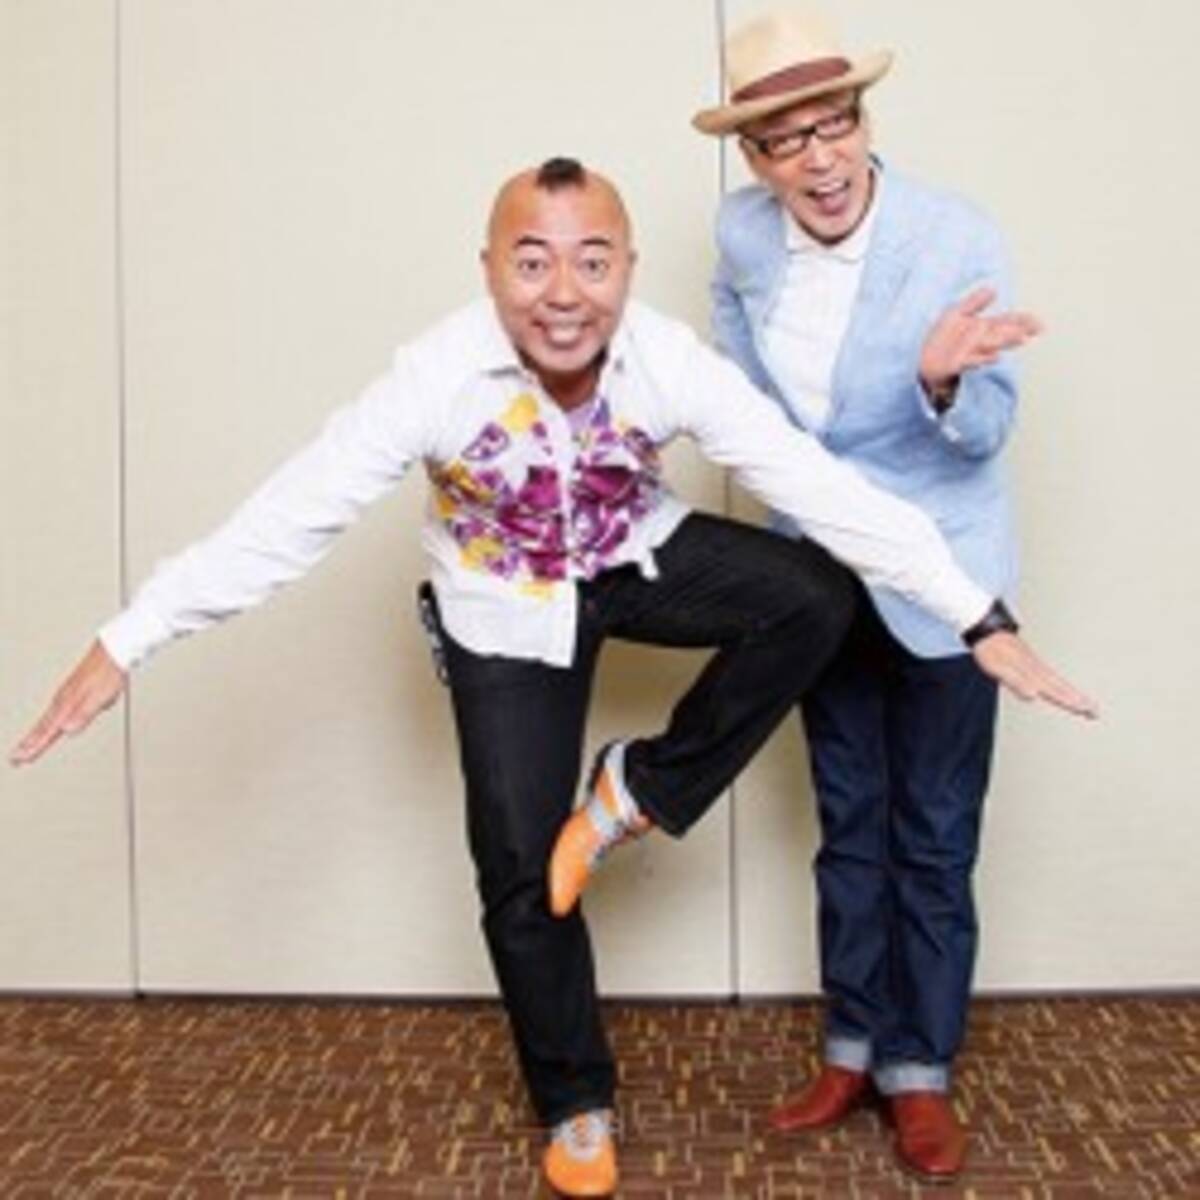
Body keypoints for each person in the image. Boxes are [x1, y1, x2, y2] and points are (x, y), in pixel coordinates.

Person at [11, 158, 1093, 1198]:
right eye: (532, 262)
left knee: (814, 594)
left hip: (633, 560)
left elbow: (816, 485)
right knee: (520, 867)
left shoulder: (665, 358)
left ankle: (636, 788)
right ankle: (577, 1103)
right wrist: (128, 638)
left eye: (592, 261)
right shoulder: (434, 377)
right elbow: (290, 515)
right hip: (503, 606)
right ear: (489, 269)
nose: (564, 293)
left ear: (627, 268)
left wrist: (973, 613)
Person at [549, 8, 1076, 1185]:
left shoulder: (953, 234)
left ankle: (919, 1069)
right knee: (848, 820)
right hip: (820, 580)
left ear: (863, 122)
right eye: (787, 141)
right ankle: (852, 1049)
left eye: (834, 126)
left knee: (932, 834)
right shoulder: (743, 236)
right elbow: (745, 401)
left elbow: (991, 429)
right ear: (756, 158)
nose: (819, 158)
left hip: (944, 573)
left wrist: (943, 383)